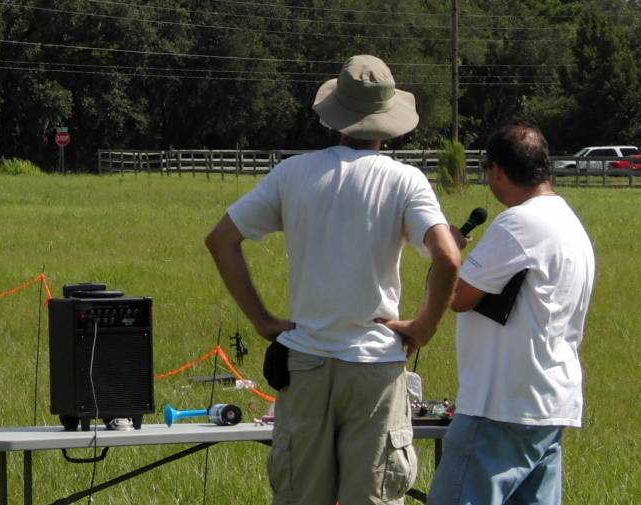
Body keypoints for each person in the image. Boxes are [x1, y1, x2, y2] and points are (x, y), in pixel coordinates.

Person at [205, 54, 461, 505]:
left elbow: (221, 239)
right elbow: (448, 256)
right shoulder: (406, 180)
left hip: (306, 363)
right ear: (389, 119)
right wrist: (423, 327)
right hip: (375, 369)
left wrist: (264, 321)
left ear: (336, 114)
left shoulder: (293, 173)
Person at [428, 122, 596, 505]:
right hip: (551, 402)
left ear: (499, 171)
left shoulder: (519, 222)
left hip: (502, 404)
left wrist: (446, 254)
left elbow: (457, 297)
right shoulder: (569, 223)